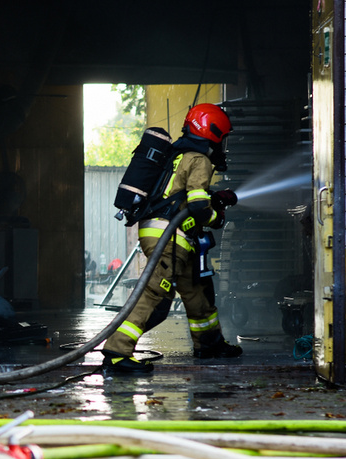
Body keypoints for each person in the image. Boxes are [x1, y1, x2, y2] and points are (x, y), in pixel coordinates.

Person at [102, 103, 242, 373]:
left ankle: (209, 344)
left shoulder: (180, 155)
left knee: (196, 292)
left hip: (170, 234)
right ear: (212, 132)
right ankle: (117, 353)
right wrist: (217, 217)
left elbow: (179, 195)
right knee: (153, 292)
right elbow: (199, 206)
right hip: (169, 236)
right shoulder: (200, 159)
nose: (223, 144)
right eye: (222, 138)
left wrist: (215, 198)